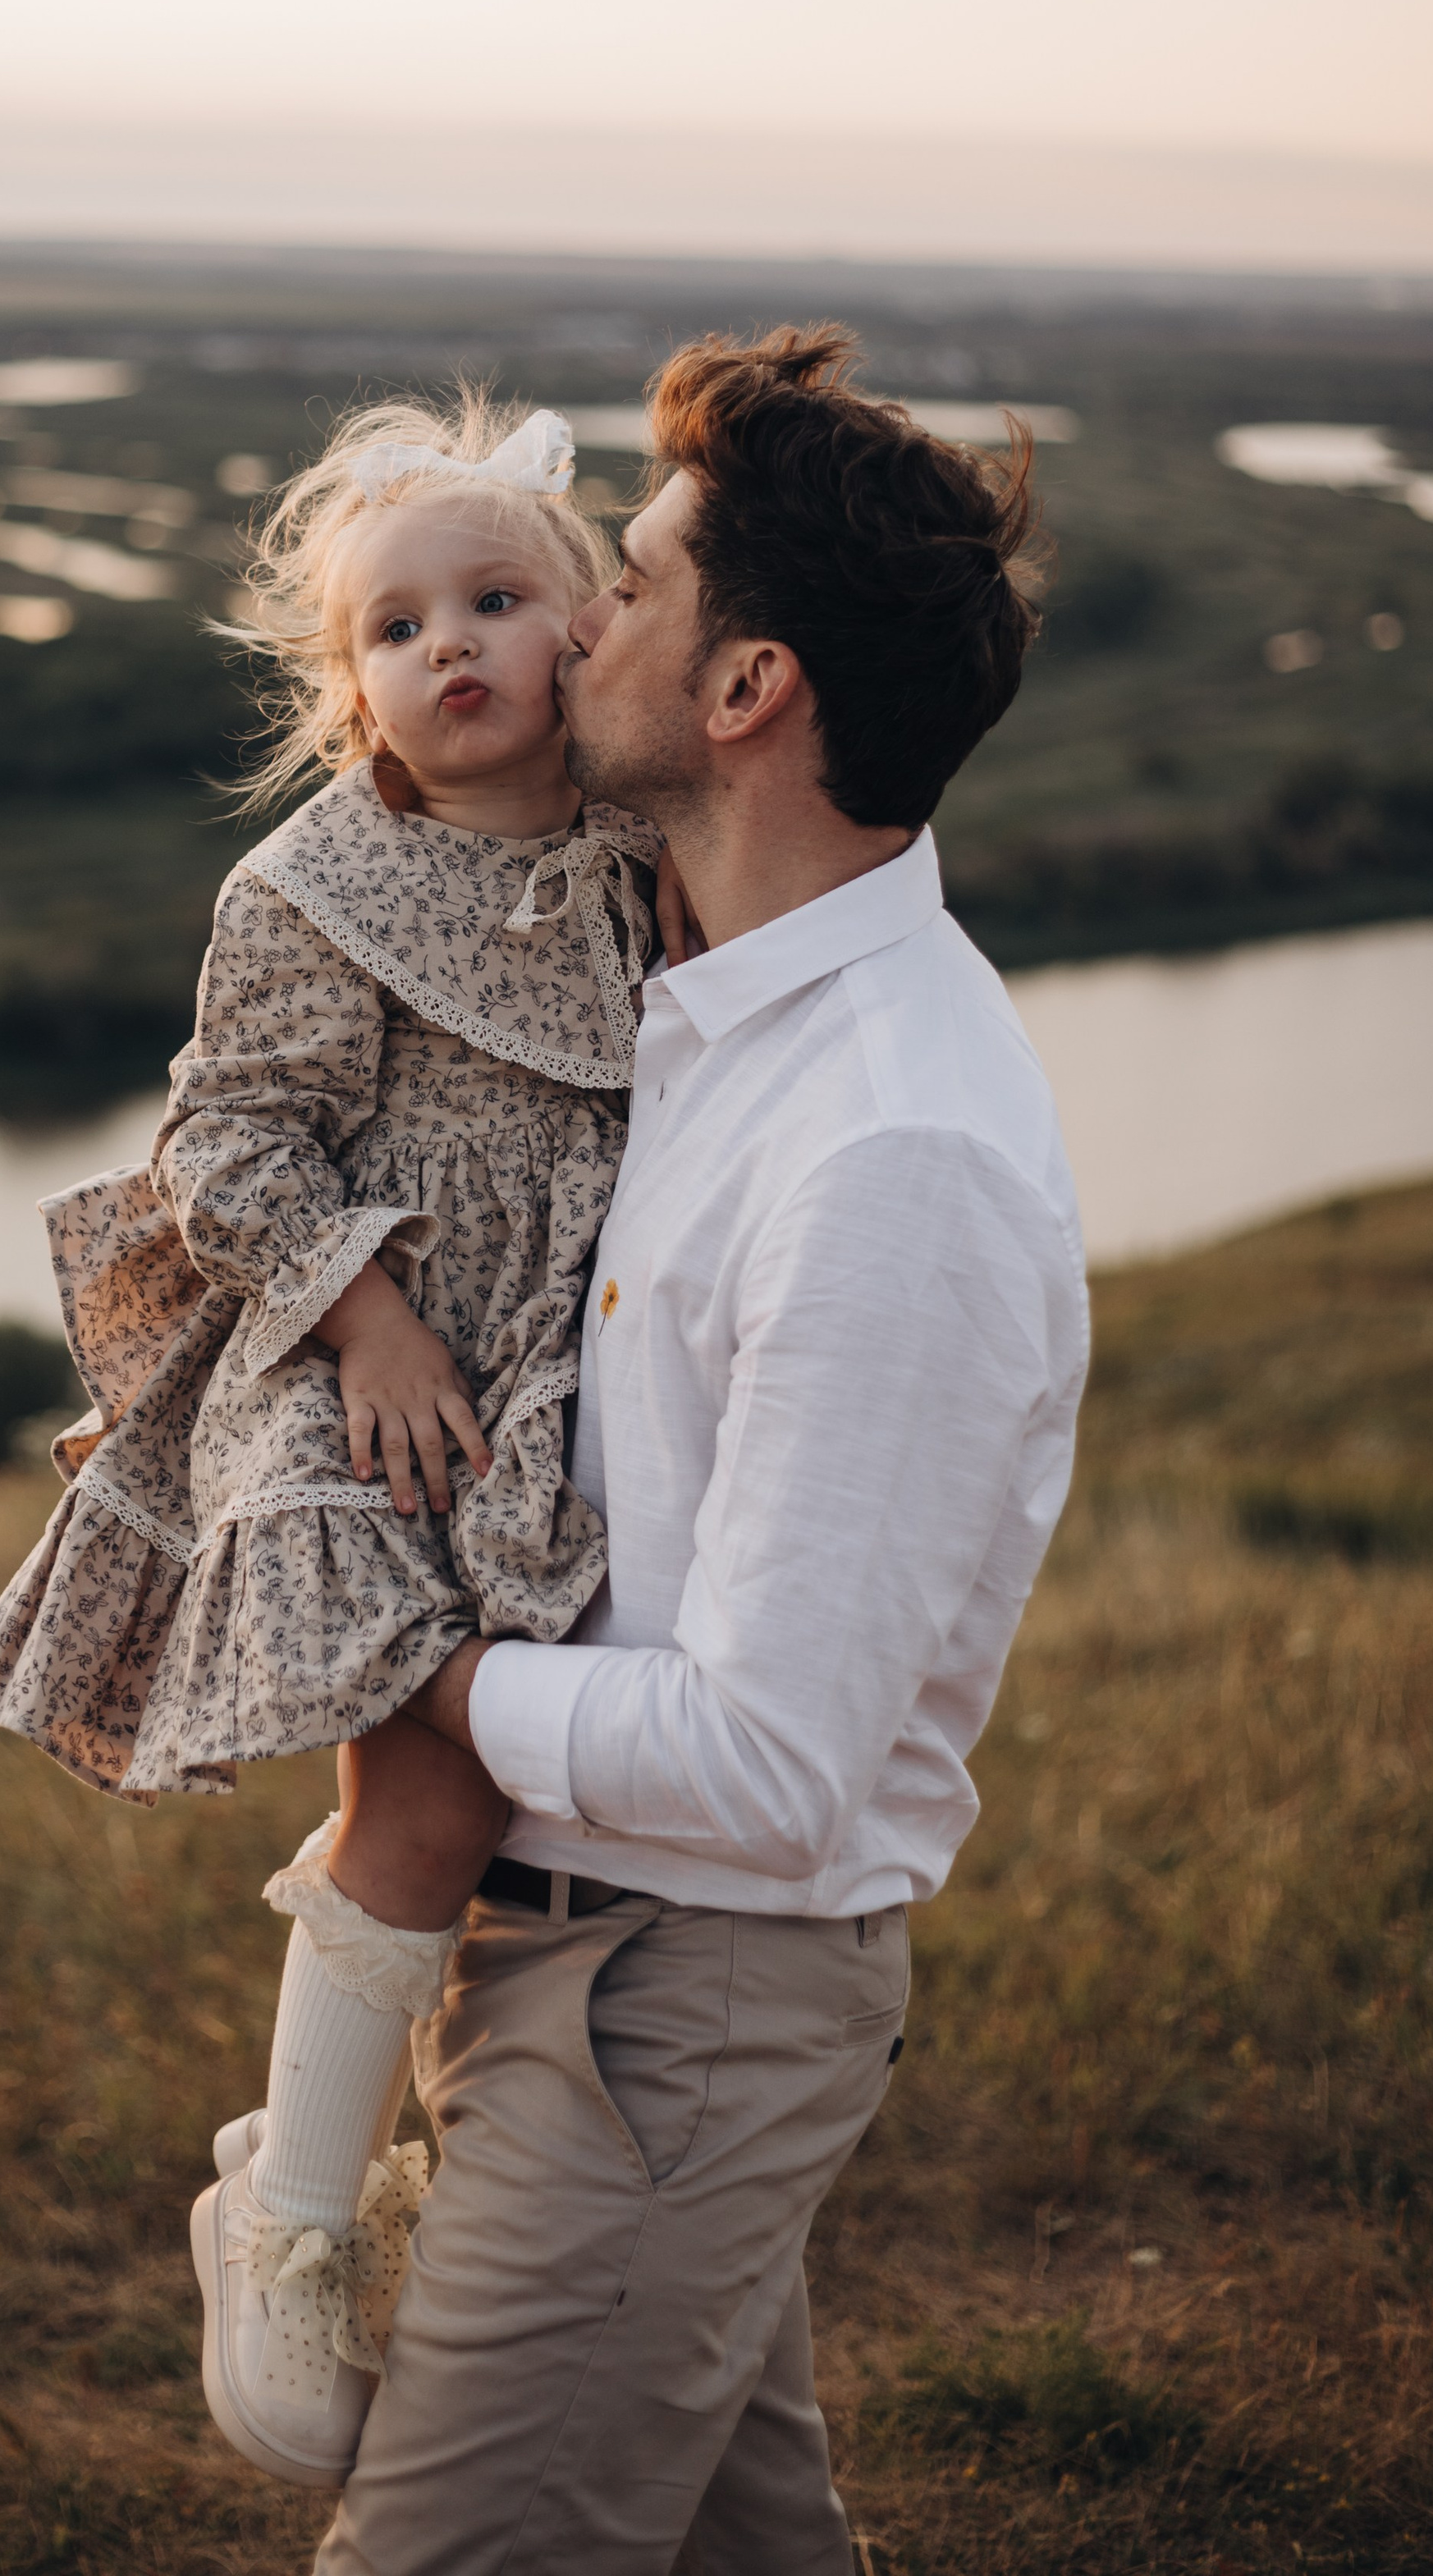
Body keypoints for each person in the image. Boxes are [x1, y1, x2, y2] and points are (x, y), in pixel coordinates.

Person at [314, 324, 1091, 2575]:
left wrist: (421, 1674)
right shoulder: (693, 1005)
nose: (570, 623)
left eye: (627, 585)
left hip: (685, 2002)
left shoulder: (892, 1152)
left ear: (743, 691)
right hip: (579, 1957)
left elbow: (775, 1759)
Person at [0, 392, 662, 2483]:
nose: (447, 648)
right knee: (428, 1782)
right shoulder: (320, 879)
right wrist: (363, 1319)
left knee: (490, 1805)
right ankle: (286, 2218)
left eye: (495, 600)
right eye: (394, 627)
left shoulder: (632, 850)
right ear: (340, 685)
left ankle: (372, 2171)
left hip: (538, 1360)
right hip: (357, 1359)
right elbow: (221, 1144)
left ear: (584, 627)